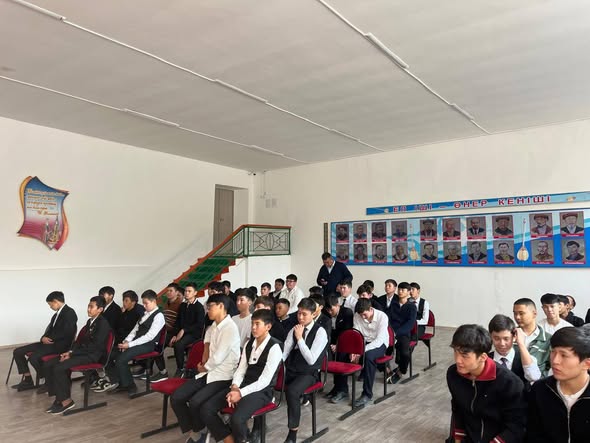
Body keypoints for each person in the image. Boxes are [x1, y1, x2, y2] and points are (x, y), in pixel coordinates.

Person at [200, 309, 282, 443]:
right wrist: (234, 386)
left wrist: (240, 393)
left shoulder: (274, 348)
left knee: (237, 419)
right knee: (207, 408)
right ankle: (229, 439)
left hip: (262, 391)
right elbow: (241, 369)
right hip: (242, 386)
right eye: (252, 323)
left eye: (257, 324)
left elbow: (264, 381)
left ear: (268, 326)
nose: (253, 327)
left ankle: (243, 439)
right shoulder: (249, 344)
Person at [171, 294, 241, 443]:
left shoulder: (230, 328)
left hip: (223, 376)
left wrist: (204, 367)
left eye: (210, 307)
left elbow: (219, 357)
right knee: (176, 397)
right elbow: (206, 343)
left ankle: (200, 431)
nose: (207, 310)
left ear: (221, 306)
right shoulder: (213, 326)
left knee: (196, 402)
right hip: (207, 373)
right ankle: (196, 428)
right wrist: (203, 364)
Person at [446, 324, 526, 443]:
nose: (458, 360)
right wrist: (458, 439)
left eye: (464, 355)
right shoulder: (453, 374)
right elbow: (458, 410)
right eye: (455, 352)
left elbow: (516, 426)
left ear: (483, 357)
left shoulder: (510, 383)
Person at [43, 296, 111, 414]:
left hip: (92, 356)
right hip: (82, 353)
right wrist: (69, 352)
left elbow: (94, 347)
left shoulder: (103, 324)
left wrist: (72, 353)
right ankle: (59, 397)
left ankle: (66, 401)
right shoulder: (90, 321)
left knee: (59, 368)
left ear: (100, 309)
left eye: (91, 307)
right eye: (88, 306)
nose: (88, 309)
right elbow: (79, 342)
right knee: (49, 364)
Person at [527, 326, 590, 443]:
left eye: (564, 355)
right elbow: (533, 434)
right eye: (553, 352)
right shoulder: (540, 390)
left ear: (587, 364)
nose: (555, 361)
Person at [282, 298, 329, 443]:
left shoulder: (320, 332)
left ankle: (292, 433)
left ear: (313, 314)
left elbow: (311, 360)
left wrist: (300, 339)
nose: (300, 317)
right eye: (299, 313)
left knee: (292, 391)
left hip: (310, 372)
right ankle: (257, 427)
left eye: (304, 314)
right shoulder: (294, 329)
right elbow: (284, 353)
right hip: (293, 369)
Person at [12, 291, 78, 392]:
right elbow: (49, 330)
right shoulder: (56, 315)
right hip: (48, 343)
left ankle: (48, 381)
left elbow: (67, 332)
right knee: (18, 351)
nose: (50, 307)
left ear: (56, 301)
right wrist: (43, 338)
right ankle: (28, 380)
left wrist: (50, 339)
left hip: (60, 345)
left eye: (50, 304)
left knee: (34, 358)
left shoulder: (70, 313)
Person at [103, 290, 166, 395]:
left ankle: (130, 385)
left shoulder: (159, 316)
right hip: (136, 343)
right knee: (108, 355)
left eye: (146, 303)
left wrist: (129, 345)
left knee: (121, 360)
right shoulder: (145, 314)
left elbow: (149, 336)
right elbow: (134, 330)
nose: (144, 306)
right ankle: (119, 382)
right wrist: (126, 341)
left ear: (154, 301)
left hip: (148, 345)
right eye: (143, 303)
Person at [350, 299, 388, 406]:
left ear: (371, 309)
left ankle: (367, 394)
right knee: (344, 354)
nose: (363, 317)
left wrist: (361, 351)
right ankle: (341, 389)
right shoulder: (357, 315)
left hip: (379, 344)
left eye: (365, 314)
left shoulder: (382, 316)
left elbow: (379, 340)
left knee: (368, 357)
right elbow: (356, 334)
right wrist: (354, 350)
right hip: (363, 342)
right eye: (361, 315)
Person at [487, 314, 541, 387]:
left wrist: (521, 344)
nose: (502, 343)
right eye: (497, 339)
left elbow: (533, 377)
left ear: (514, 336)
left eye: (506, 339)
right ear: (490, 337)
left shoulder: (525, 357)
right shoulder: (486, 360)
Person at [170, 283, 206, 376]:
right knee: (167, 340)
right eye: (185, 291)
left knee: (178, 344)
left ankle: (180, 369)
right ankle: (162, 371)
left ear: (195, 293)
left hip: (194, 333)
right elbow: (178, 321)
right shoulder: (183, 305)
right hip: (182, 332)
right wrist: (175, 334)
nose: (186, 293)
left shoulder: (199, 307)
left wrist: (184, 330)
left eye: (189, 291)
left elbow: (199, 324)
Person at [386, 282, 417, 384]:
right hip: (391, 333)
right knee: (381, 350)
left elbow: (410, 324)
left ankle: (401, 371)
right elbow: (388, 319)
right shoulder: (393, 304)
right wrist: (390, 332)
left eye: (403, 290)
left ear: (408, 292)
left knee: (405, 353)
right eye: (399, 289)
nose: (400, 291)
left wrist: (396, 333)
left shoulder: (412, 307)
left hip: (404, 334)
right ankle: (387, 370)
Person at [513, 298, 552, 376]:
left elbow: (551, 368)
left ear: (534, 314)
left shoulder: (548, 339)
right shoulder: (509, 337)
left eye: (521, 313)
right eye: (515, 313)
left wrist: (541, 380)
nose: (517, 317)